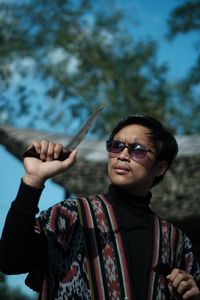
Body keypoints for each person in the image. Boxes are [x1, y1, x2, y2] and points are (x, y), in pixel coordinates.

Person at [0, 115, 200, 300]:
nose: (122, 155)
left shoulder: (176, 242)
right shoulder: (68, 216)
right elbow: (10, 261)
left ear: (160, 167)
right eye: (116, 146)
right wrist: (33, 180)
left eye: (137, 150)